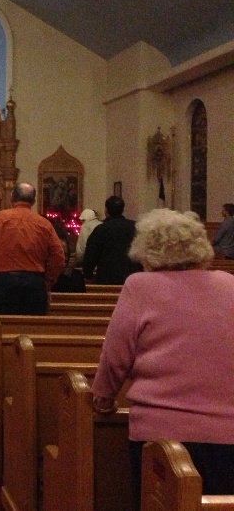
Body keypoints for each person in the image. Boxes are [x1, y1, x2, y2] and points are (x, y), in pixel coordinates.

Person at [91, 209, 234, 505]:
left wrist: (103, 396)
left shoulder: (140, 286)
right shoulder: (229, 284)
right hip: (227, 432)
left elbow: (117, 354)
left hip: (161, 435)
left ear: (146, 250)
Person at [0, 182, 65, 314]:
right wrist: (46, 283)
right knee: (33, 330)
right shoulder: (44, 224)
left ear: (12, 198)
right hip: (34, 285)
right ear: (34, 200)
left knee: (0, 329)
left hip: (4, 284)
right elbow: (58, 258)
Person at [82, 195, 141, 284]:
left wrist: (88, 274)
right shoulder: (136, 228)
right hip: (132, 280)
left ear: (106, 210)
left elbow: (90, 256)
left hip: (106, 280)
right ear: (122, 209)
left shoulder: (100, 229)